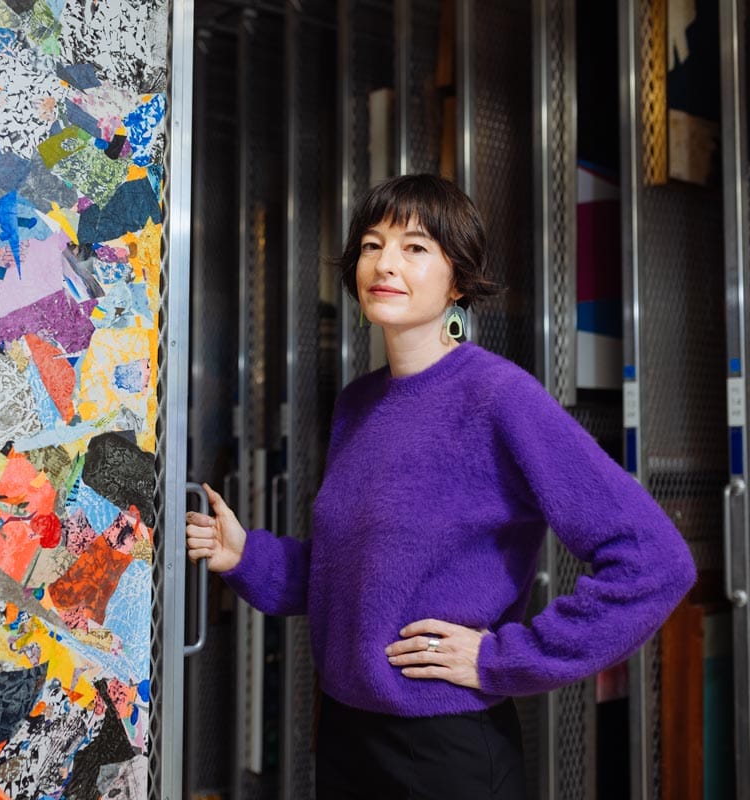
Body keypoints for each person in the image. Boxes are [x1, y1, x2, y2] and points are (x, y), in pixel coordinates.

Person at [185, 174, 696, 799]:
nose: (385, 263)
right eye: (372, 245)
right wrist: (247, 556)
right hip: (347, 736)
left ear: (458, 280)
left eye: (415, 247)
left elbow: (655, 561)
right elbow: (361, 577)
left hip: (446, 753)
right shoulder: (359, 403)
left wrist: (502, 658)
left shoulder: (500, 398)